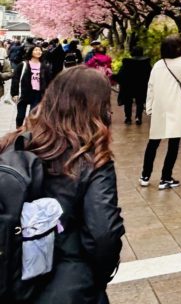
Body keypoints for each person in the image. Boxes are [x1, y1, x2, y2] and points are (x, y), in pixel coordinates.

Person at [0, 66, 125, 304]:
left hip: (12, 275)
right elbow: (103, 235)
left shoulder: (12, 143)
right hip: (67, 284)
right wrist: (95, 276)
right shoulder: (92, 160)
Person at [142, 34, 181, 190]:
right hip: (178, 107)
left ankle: (145, 176)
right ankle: (165, 177)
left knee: (153, 142)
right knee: (173, 144)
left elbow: (151, 87)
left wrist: (149, 107)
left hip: (160, 107)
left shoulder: (159, 64)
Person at [115, 44, 151, 125]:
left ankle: (128, 118)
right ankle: (138, 117)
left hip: (128, 86)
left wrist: (115, 78)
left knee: (128, 102)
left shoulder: (127, 62)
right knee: (140, 102)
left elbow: (121, 75)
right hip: (141, 86)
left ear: (132, 53)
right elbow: (150, 75)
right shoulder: (146, 63)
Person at [13, 43, 46, 126]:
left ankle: (29, 133)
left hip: (37, 93)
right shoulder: (23, 64)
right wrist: (14, 93)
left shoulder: (44, 66)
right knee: (20, 116)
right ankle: (19, 131)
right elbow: (16, 79)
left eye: (40, 50)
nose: (38, 52)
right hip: (24, 92)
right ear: (31, 52)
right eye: (36, 50)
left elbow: (48, 80)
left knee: (33, 116)